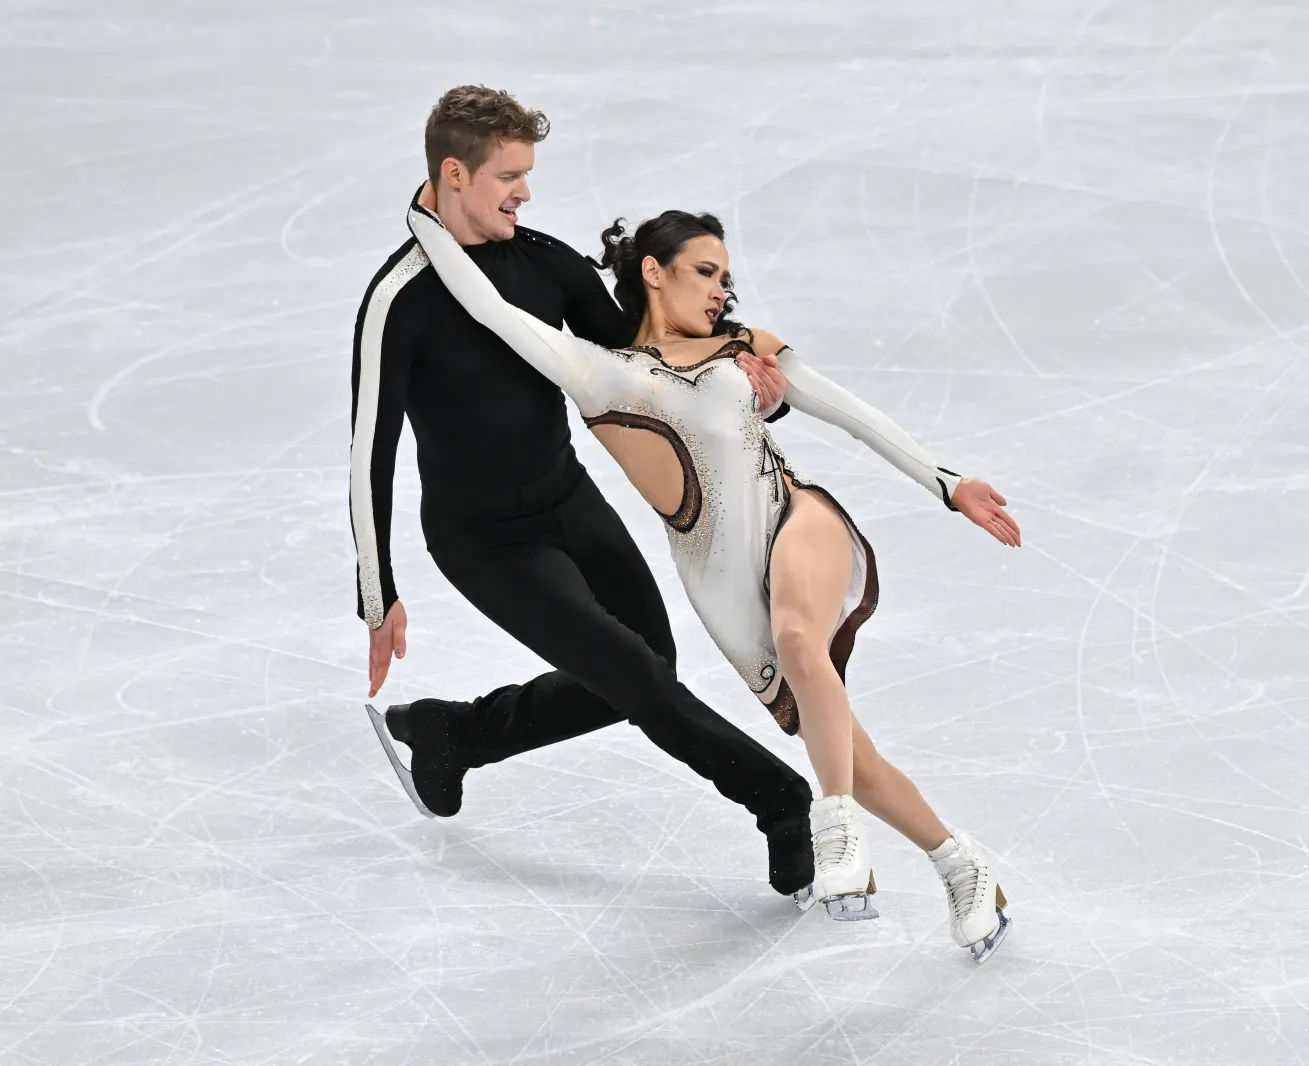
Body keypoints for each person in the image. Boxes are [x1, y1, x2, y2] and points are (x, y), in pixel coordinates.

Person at [403, 198, 1020, 963]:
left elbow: (850, 414)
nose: (721, 290)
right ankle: (962, 864)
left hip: (797, 519)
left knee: (802, 636)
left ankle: (835, 833)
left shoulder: (744, 350)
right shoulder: (599, 376)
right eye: (704, 271)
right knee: (848, 750)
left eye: (726, 277)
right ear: (653, 273)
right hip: (719, 582)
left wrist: (945, 480)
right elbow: (492, 309)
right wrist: (424, 220)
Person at [348, 85, 817, 902]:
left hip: (568, 502)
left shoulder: (544, 262)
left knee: (646, 666)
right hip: (484, 541)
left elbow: (641, 361)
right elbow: (368, 453)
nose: (525, 194)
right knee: (633, 673)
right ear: (454, 174)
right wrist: (377, 593)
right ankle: (780, 800)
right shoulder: (401, 302)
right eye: (509, 178)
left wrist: (746, 379)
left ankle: (454, 733)